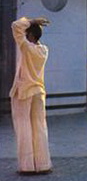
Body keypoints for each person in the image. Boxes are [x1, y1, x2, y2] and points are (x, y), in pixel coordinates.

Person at [10, 16, 52, 175]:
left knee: (24, 128)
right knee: (40, 128)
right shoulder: (43, 50)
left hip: (24, 92)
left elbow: (15, 26)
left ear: (30, 36)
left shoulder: (26, 48)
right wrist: (33, 25)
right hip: (38, 92)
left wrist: (32, 21)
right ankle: (43, 164)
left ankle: (27, 166)